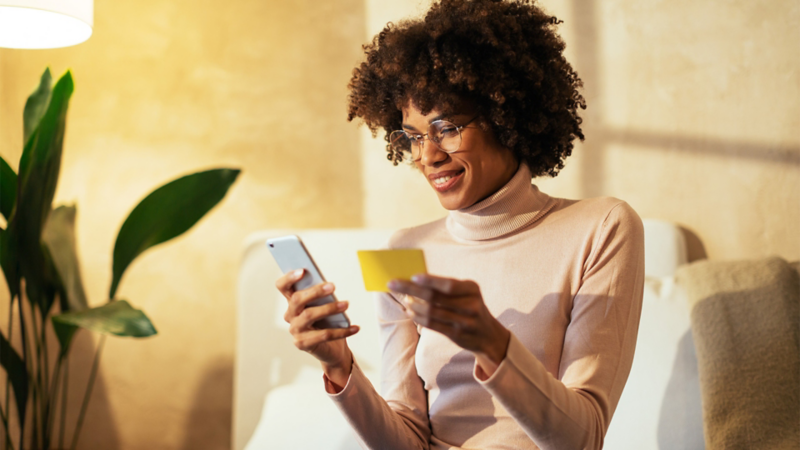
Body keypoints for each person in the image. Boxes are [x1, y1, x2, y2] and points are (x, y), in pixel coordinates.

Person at [275, 0, 645, 448]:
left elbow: (582, 439)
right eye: (412, 137)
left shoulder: (602, 226)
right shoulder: (400, 253)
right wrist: (338, 367)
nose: (427, 156)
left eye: (447, 127)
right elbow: (407, 436)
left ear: (507, 115)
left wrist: (492, 342)